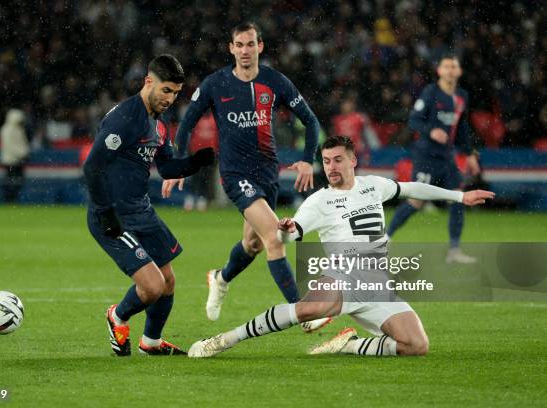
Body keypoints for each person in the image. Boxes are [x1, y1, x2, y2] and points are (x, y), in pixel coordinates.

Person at [187, 136, 494, 358]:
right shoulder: (320, 200)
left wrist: (459, 197)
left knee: (416, 345)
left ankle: (350, 345)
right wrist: (285, 231)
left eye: (337, 160)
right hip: (344, 275)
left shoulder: (374, 185)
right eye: (326, 161)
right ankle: (224, 340)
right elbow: (290, 236)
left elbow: (412, 188)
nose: (331, 167)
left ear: (352, 160)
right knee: (310, 309)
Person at [162, 22, 328, 331]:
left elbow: (310, 120)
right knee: (275, 239)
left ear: (260, 47)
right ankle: (304, 311)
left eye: (250, 44)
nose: (245, 50)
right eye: (239, 45)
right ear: (231, 48)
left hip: (267, 173)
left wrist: (307, 160)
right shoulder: (215, 84)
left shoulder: (275, 82)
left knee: (251, 244)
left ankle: (220, 277)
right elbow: (186, 124)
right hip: (235, 173)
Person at [83, 55, 215, 356]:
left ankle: (151, 342)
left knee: (168, 281)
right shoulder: (126, 118)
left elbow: (167, 168)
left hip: (140, 210)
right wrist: (105, 214)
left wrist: (194, 163)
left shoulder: (159, 121)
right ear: (148, 82)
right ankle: (117, 316)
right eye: (166, 90)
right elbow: (93, 167)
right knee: (152, 286)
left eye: (175, 93)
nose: (170, 98)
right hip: (114, 215)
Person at [387, 54, 481, 263]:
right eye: (446, 66)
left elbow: (462, 128)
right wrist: (432, 131)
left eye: (453, 66)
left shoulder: (462, 96)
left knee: (458, 197)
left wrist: (470, 154)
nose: (449, 70)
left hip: (447, 157)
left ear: (459, 71)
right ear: (439, 71)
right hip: (426, 156)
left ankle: (454, 251)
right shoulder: (431, 93)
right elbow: (414, 120)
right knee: (416, 201)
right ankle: (384, 238)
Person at [0, 108, 30, 202]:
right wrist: (23, 153)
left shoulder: (19, 129)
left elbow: (23, 143)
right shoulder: (7, 129)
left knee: (18, 181)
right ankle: (9, 199)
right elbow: (10, 146)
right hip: (10, 161)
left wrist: (24, 152)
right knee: (11, 181)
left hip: (18, 160)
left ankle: (13, 198)